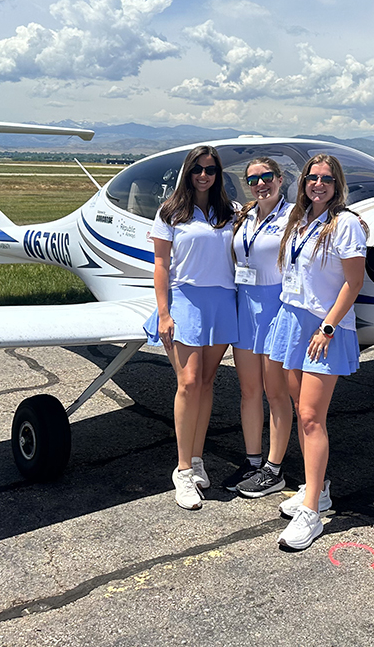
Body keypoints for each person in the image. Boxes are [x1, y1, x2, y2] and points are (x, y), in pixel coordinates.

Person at [266, 154, 366, 550]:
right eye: (312, 178)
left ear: (336, 183)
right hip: (292, 320)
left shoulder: (346, 225)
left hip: (324, 327)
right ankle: (316, 488)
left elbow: (353, 282)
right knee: (298, 407)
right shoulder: (299, 219)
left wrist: (327, 326)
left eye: (325, 179)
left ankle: (312, 513)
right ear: (303, 182)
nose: (318, 184)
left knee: (310, 417)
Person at [143, 146, 237, 510]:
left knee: (207, 382)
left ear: (218, 174)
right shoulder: (170, 212)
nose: (203, 175)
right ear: (188, 171)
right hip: (185, 301)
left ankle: (197, 459)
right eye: (197, 169)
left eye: (210, 169)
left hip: (221, 302)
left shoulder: (228, 213)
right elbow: (161, 265)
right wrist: (164, 312)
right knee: (188, 382)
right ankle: (182, 470)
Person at [223, 158, 293, 498]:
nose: (260, 183)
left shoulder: (294, 216)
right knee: (249, 391)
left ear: (280, 180)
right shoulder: (244, 216)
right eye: (253, 179)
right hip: (244, 310)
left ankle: (274, 469)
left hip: (276, 310)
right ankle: (252, 461)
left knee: (276, 393)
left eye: (267, 177)